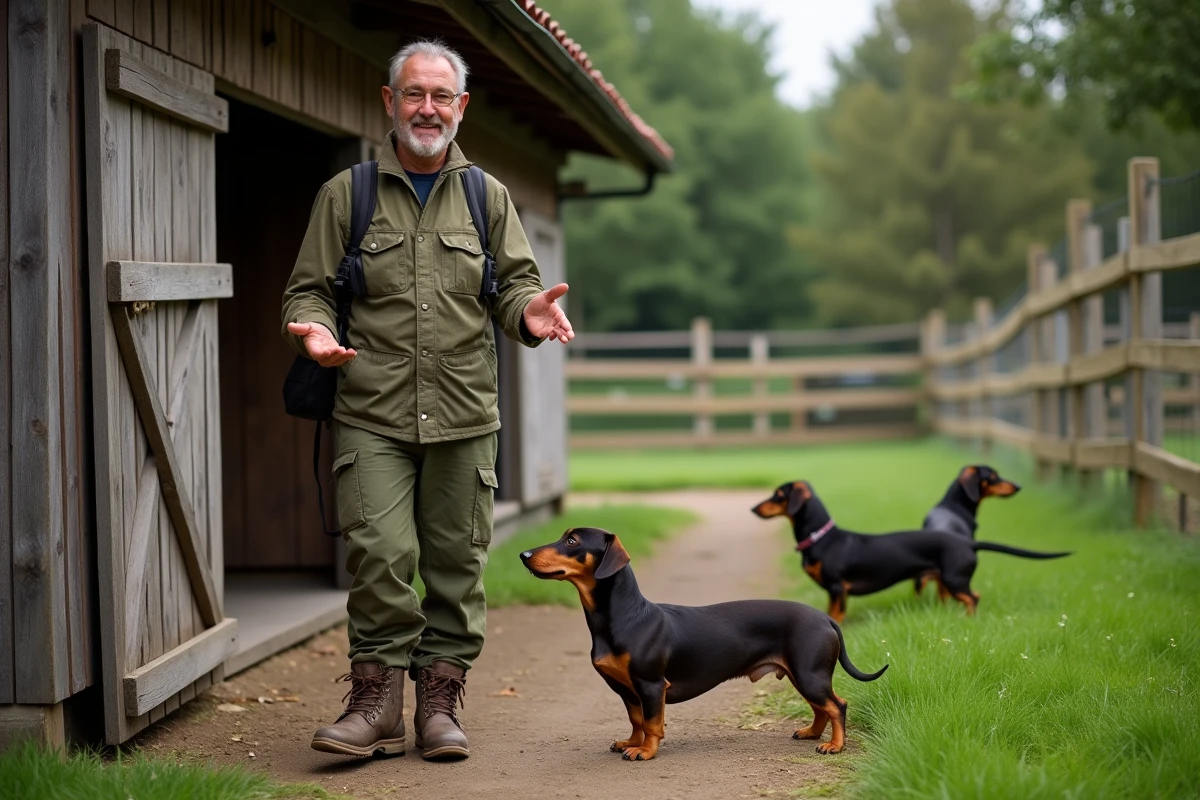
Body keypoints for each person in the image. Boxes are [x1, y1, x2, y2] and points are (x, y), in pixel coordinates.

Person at [281, 38, 573, 761]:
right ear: (390, 100)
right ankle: (375, 704)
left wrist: (529, 312)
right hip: (371, 412)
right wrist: (313, 330)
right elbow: (307, 289)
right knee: (381, 554)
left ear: (461, 107)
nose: (427, 108)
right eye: (414, 93)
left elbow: (513, 289)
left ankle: (437, 704)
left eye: (442, 96)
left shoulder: (488, 196)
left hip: (465, 413)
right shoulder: (345, 195)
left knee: (455, 562)